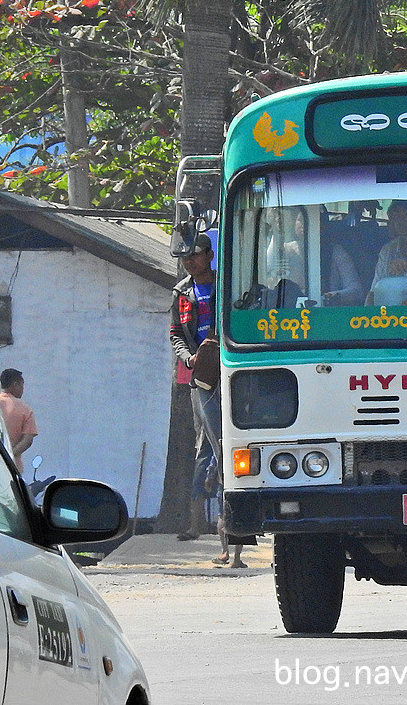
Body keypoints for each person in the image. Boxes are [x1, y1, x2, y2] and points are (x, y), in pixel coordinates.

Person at [169, 233, 244, 564]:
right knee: (210, 447)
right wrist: (187, 358)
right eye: (185, 256)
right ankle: (203, 527)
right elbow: (175, 333)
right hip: (201, 376)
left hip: (233, 371)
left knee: (231, 445)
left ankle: (233, 541)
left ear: (210, 255)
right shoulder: (181, 291)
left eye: (195, 254)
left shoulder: (228, 283)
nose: (189, 260)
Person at [0, 368, 37, 474]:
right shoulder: (25, 409)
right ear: (15, 385)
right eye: (22, 385)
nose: (23, 389)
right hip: (13, 468)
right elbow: (27, 441)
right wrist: (10, 455)